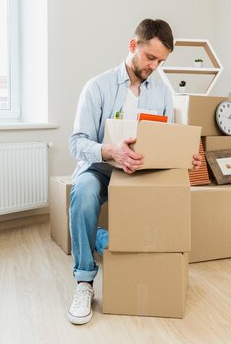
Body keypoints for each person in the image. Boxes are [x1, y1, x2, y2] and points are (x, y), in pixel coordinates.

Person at [67, 18, 202, 325]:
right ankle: (85, 280)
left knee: (171, 193)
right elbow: (77, 143)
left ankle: (131, 252)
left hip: (144, 170)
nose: (155, 66)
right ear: (133, 46)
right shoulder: (97, 87)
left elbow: (167, 140)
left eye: (161, 61)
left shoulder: (163, 93)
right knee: (83, 192)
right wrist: (110, 149)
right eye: (150, 57)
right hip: (101, 168)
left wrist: (186, 158)